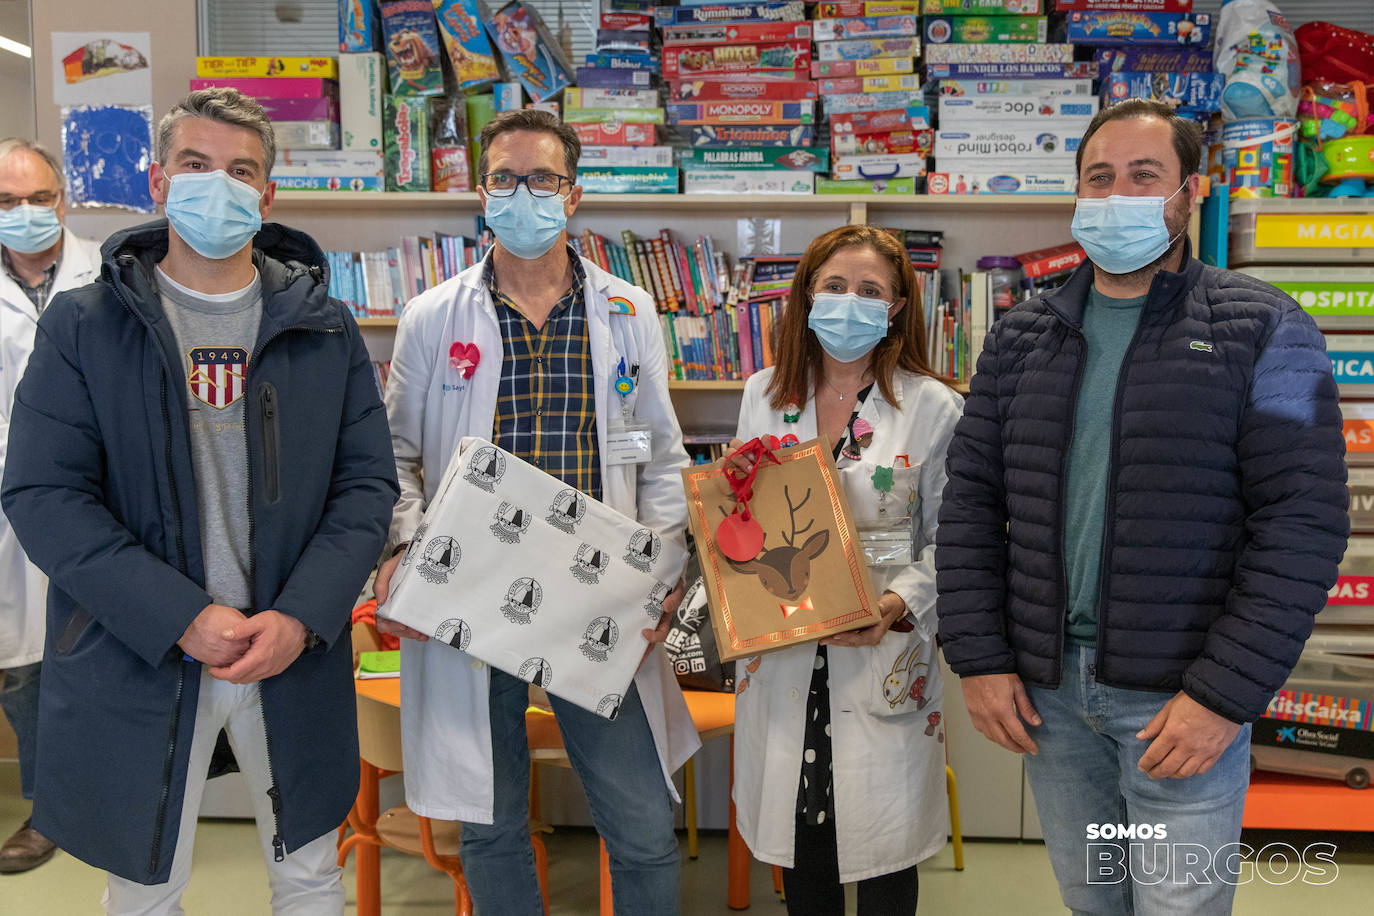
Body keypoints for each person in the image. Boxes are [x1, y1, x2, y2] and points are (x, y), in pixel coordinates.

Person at [936, 98, 1348, 915]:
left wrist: (1223, 697)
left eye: (1144, 176)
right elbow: (972, 504)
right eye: (1100, 178)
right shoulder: (1022, 337)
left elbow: (1301, 525)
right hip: (1050, 704)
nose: (1118, 194)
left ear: (1190, 193)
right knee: (1096, 902)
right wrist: (979, 659)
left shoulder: (1268, 330)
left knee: (1176, 909)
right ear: (1077, 196)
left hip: (1177, 705)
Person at [0, 88, 399, 912]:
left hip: (288, 650)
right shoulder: (84, 325)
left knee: (311, 875)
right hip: (140, 650)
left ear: (268, 195)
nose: (217, 184)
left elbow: (366, 488)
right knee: (145, 882)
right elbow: (44, 493)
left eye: (240, 169)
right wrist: (179, 615)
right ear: (158, 180)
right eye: (195, 164)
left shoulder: (324, 327)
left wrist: (300, 617)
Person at [374, 108, 700, 915]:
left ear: (574, 194)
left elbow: (662, 457)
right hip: (470, 588)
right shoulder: (430, 317)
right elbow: (395, 459)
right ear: (482, 193)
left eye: (544, 179)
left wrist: (660, 579)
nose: (525, 195)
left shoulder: (629, 311)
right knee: (489, 822)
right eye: (507, 179)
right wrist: (410, 556)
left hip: (599, 594)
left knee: (643, 820)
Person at [728, 225, 961, 914]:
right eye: (834, 286)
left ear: (895, 309)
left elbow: (957, 540)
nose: (848, 302)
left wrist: (898, 605)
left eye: (869, 291)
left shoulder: (932, 407)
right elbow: (743, 526)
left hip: (881, 644)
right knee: (804, 844)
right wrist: (734, 492)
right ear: (806, 295)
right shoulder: (765, 395)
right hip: (789, 646)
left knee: (886, 851)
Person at [0, 137, 101, 874]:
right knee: (20, 663)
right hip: (8, 499)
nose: (25, 214)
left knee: (92, 651)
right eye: (6, 204)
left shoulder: (109, 271)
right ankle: (46, 808)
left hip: (96, 492)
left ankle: (85, 799)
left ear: (63, 198)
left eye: (38, 198)